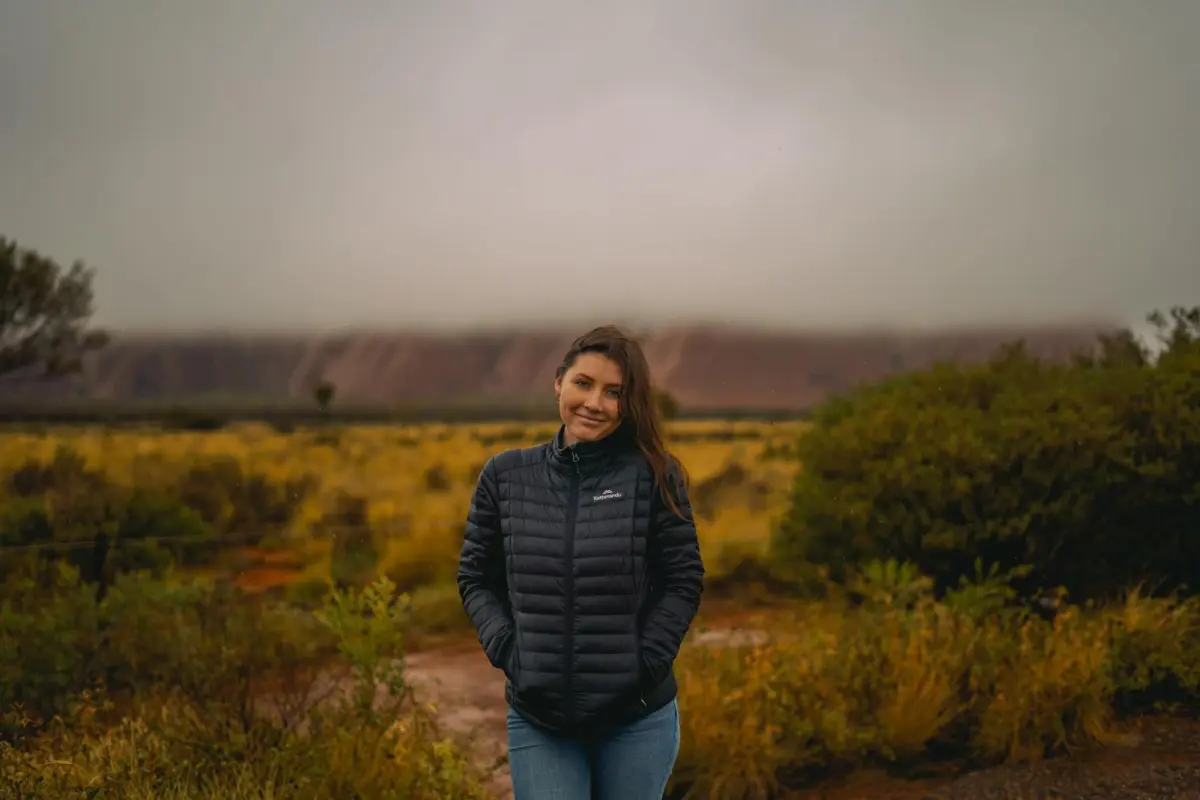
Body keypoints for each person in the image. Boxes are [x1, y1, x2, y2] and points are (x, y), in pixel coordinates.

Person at [457, 325, 705, 800]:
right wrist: (508, 649)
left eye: (614, 392)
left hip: (637, 717)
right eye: (583, 383)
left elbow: (683, 579)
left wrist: (645, 662)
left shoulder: (654, 475)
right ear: (559, 382)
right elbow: (475, 577)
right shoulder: (505, 476)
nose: (595, 403)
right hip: (541, 717)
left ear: (629, 404)